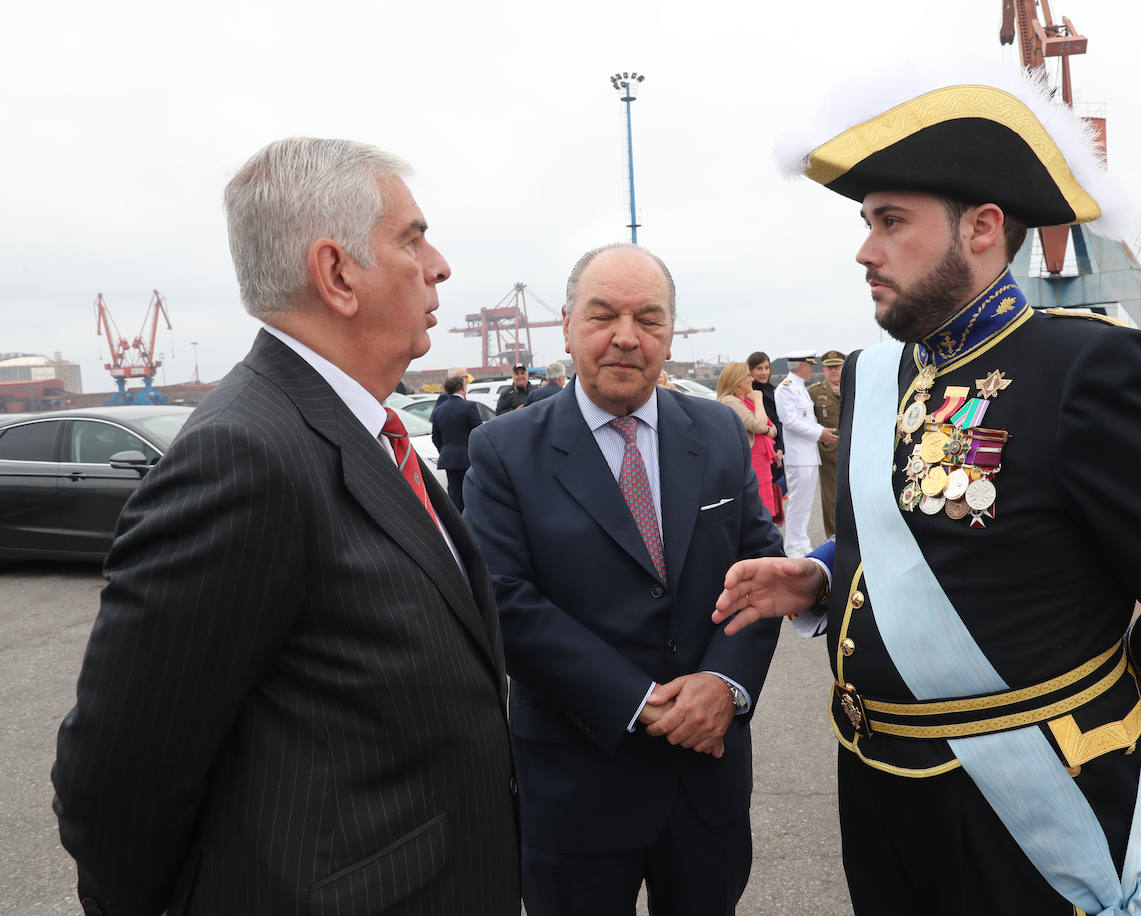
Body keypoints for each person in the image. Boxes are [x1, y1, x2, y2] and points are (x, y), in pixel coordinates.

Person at [711, 67, 1141, 915]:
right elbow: (920, 532)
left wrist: (1123, 713)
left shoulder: (1088, 369)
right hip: (873, 785)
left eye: (891, 222)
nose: (865, 250)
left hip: (1023, 804)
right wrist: (824, 575)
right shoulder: (873, 377)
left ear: (980, 229)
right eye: (869, 223)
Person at [50, 138, 520, 916]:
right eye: (411, 238)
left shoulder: (358, 430)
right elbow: (117, 775)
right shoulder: (245, 455)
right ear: (337, 274)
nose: (438, 265)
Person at [463, 242, 784, 915]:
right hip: (577, 782)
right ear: (568, 324)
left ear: (670, 331)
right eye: (603, 315)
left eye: (650, 319)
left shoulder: (720, 434)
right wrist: (643, 702)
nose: (626, 338)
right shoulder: (505, 449)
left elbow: (760, 570)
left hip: (707, 776)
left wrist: (726, 684)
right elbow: (505, 600)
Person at [775, 351, 838, 556]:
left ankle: (802, 543)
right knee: (797, 503)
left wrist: (820, 431)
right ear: (802, 366)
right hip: (798, 455)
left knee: (805, 504)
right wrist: (821, 433)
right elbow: (790, 422)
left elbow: (806, 420)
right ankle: (792, 547)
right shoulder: (786, 389)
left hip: (809, 454)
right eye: (810, 365)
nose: (812, 369)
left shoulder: (798, 387)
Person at [716, 361, 783, 522]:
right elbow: (759, 425)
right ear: (737, 380)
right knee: (756, 507)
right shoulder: (730, 401)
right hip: (752, 461)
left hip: (762, 462)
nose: (752, 379)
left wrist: (764, 428)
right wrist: (758, 400)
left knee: (765, 508)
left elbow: (772, 429)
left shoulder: (745, 401)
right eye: (748, 376)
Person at [431, 366, 483, 510]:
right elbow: (477, 432)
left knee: (454, 495)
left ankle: (456, 526)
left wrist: (445, 450)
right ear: (462, 388)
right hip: (467, 457)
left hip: (448, 458)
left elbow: (435, 436)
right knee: (470, 495)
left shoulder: (439, 409)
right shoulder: (469, 406)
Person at [809, 349, 844, 538]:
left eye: (837, 367)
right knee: (831, 499)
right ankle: (834, 538)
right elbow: (806, 420)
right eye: (830, 368)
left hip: (854, 450)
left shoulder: (855, 387)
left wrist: (846, 393)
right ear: (823, 370)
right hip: (829, 451)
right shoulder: (814, 392)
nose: (834, 371)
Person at [747, 351, 785, 459]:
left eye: (767, 368)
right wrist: (775, 449)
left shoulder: (771, 390)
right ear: (750, 371)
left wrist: (780, 448)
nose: (764, 373)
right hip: (763, 448)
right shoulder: (750, 393)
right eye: (759, 368)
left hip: (776, 446)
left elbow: (777, 421)